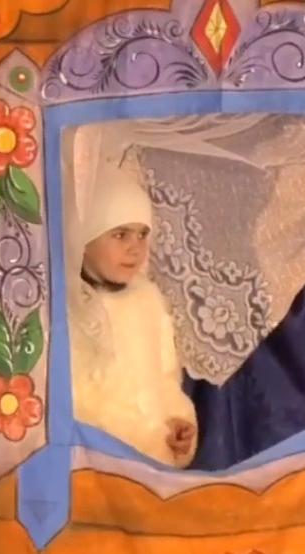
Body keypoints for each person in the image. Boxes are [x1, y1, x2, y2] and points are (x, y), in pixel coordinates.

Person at [68, 153, 198, 468]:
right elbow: (71, 402)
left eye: (142, 234)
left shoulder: (148, 299)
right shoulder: (67, 309)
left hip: (152, 470)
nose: (134, 247)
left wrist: (177, 423)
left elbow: (165, 379)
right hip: (95, 471)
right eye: (120, 234)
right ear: (84, 238)